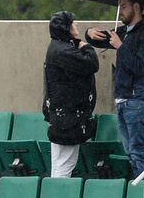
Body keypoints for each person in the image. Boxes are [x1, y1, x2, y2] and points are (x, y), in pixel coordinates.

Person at [88, 0, 144, 178]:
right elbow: (101, 40)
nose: (120, 11)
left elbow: (140, 67)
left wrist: (121, 46)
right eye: (119, 7)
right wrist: (89, 34)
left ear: (136, 7)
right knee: (130, 152)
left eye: (124, 6)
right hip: (122, 99)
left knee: (138, 151)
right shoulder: (123, 33)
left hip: (138, 101)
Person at [44, 10, 99, 177]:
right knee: (64, 164)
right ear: (66, 28)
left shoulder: (56, 47)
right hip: (68, 117)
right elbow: (91, 64)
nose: (76, 25)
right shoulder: (64, 51)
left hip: (61, 115)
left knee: (60, 162)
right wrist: (87, 47)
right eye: (73, 24)